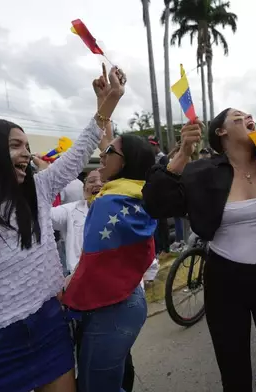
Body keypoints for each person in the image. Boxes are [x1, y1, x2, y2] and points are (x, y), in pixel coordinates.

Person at [0, 64, 124, 391]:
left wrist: (109, 102)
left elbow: (77, 154)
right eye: (15, 145)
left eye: (27, 145)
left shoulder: (38, 190)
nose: (26, 153)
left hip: (48, 330)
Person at [143, 108, 256, 391]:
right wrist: (183, 153)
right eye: (237, 116)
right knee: (233, 369)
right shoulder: (202, 172)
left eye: (249, 116)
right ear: (220, 131)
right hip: (224, 280)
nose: (248, 117)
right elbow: (155, 204)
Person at [61, 131, 157, 391]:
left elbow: (94, 262)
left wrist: (67, 289)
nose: (102, 156)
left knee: (97, 386)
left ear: (125, 162)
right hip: (120, 300)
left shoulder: (109, 202)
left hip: (112, 305)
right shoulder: (136, 195)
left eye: (109, 152)